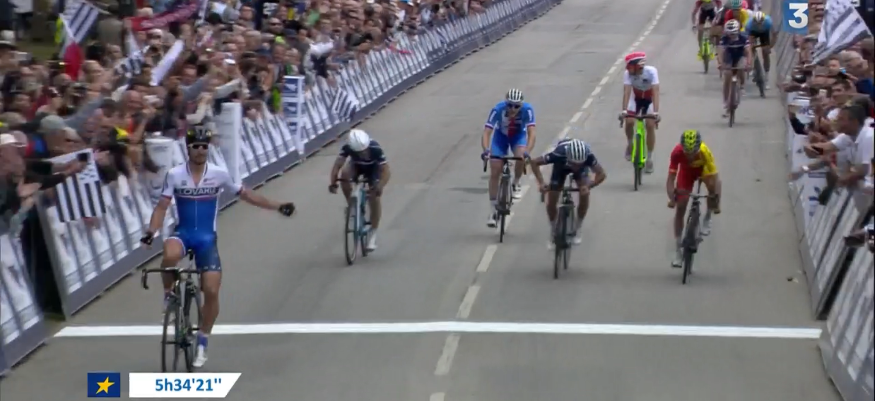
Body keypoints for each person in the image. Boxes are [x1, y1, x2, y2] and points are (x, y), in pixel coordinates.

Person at [140, 128, 295, 368]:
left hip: (206, 239)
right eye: (196, 146)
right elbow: (161, 207)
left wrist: (277, 206)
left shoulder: (219, 174)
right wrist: (151, 232)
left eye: (205, 146)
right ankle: (169, 295)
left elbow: (247, 195)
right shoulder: (175, 175)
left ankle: (203, 340)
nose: (201, 150)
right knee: (169, 255)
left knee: (211, 291)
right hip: (183, 234)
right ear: (188, 148)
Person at [528, 138, 607, 249]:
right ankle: (553, 230)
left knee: (584, 193)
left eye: (579, 164)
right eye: (574, 163)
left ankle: (578, 227)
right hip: (560, 167)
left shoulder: (588, 156)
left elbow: (602, 174)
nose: (576, 166)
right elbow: (534, 162)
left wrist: (589, 186)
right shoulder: (558, 154)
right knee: (552, 200)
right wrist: (541, 183)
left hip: (581, 172)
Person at [481, 88, 537, 227]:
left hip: (518, 136)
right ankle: (493, 210)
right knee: (495, 170)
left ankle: (516, 183)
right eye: (510, 105)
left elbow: (532, 133)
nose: (512, 109)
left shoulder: (528, 110)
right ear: (505, 103)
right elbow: (487, 132)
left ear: (521, 105)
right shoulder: (497, 109)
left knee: (520, 156)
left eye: (516, 106)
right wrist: (486, 150)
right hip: (500, 137)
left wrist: (527, 151)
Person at [328, 129, 391, 251]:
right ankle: (351, 206)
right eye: (359, 152)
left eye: (364, 151)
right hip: (356, 166)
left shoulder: (375, 147)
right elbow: (337, 165)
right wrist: (333, 182)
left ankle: (373, 232)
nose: (363, 154)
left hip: (373, 169)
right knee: (345, 174)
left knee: (374, 197)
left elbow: (386, 171)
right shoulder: (347, 147)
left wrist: (380, 185)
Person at [666, 130, 722, 267]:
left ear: (698, 148)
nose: (690, 156)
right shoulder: (677, 152)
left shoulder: (704, 151)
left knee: (712, 186)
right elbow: (671, 179)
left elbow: (716, 178)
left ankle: (707, 217)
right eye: (687, 152)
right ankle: (678, 251)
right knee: (681, 206)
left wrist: (716, 199)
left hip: (704, 170)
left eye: (693, 152)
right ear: (682, 148)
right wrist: (672, 198)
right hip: (686, 172)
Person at [620, 52, 661, 174]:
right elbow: (627, 92)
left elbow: (656, 92)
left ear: (638, 66)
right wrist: (624, 111)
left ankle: (649, 158)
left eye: (630, 67)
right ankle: (630, 144)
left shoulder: (651, 71)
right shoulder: (627, 74)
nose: (628, 70)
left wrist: (656, 112)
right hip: (635, 97)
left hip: (649, 98)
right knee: (629, 121)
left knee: (650, 125)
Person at [717, 19, 752, 116]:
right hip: (729, 56)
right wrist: (720, 63)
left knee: (741, 67)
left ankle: (742, 86)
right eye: (729, 34)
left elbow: (748, 52)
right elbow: (720, 52)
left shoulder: (743, 38)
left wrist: (748, 64)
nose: (731, 36)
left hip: (740, 55)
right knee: (727, 75)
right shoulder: (724, 39)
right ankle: (726, 101)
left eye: (733, 34)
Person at [745, 11, 774, 89]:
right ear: (754, 21)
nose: (758, 25)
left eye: (760, 23)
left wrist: (770, 46)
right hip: (753, 32)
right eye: (757, 23)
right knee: (751, 48)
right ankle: (754, 67)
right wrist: (751, 47)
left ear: (763, 21)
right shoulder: (749, 24)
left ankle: (766, 76)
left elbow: (774, 35)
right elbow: (748, 39)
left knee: (766, 53)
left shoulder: (768, 22)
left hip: (764, 33)